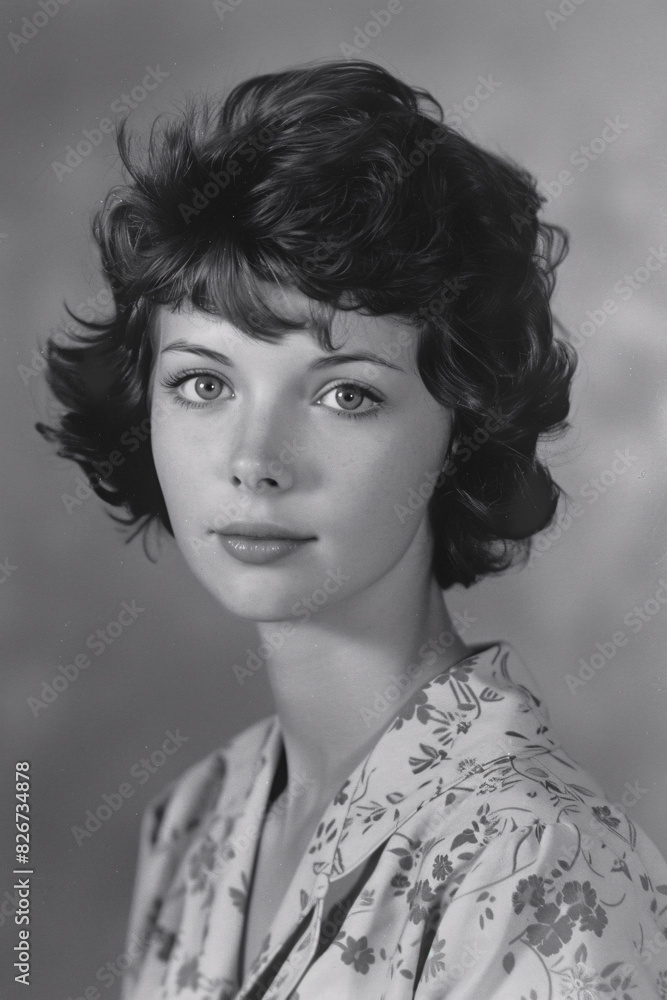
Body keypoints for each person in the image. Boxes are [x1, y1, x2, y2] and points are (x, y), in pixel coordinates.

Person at [37, 60, 667, 999]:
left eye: (343, 393)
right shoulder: (197, 819)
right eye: (203, 384)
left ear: (465, 424)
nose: (254, 458)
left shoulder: (541, 866)